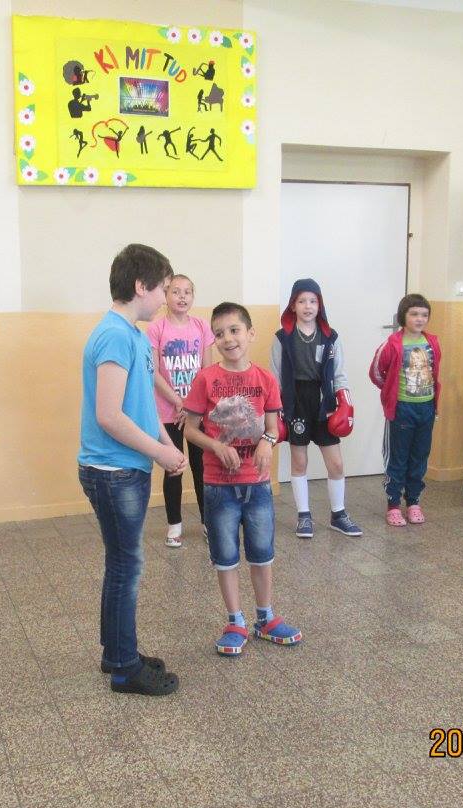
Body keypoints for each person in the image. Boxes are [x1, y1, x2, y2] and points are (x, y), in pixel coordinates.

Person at [78, 244, 185, 696]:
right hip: (113, 470)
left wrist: (167, 444)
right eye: (162, 288)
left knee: (120, 563)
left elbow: (141, 405)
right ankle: (124, 668)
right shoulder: (114, 336)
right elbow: (108, 415)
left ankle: (116, 652)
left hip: (128, 466)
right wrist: (159, 453)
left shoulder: (137, 337)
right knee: (127, 567)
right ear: (141, 286)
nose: (165, 298)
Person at [184, 302, 302, 655]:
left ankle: (265, 618)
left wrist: (267, 441)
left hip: (257, 484)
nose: (228, 339)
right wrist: (216, 447)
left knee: (262, 553)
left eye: (234, 330)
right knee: (225, 556)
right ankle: (235, 620)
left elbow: (273, 427)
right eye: (219, 333)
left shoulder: (265, 379)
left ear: (250, 333)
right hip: (218, 486)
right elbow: (190, 429)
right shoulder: (205, 379)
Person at [271, 278, 361, 538]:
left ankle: (338, 514)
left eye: (312, 301)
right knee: (299, 461)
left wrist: (345, 402)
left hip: (325, 401)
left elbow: (340, 373)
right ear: (293, 305)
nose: (308, 306)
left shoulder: (331, 336)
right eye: (302, 301)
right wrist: (275, 409)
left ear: (319, 304)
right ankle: (303, 516)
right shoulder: (282, 337)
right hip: (296, 400)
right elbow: (275, 377)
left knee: (336, 463)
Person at [147, 274, 214, 547]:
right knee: (173, 468)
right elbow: (153, 372)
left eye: (187, 292)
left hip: (197, 413)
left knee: (202, 467)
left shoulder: (201, 326)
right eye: (176, 291)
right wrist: (177, 400)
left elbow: (207, 371)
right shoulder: (156, 329)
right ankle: (174, 526)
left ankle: (208, 522)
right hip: (168, 412)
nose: (182, 297)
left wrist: (193, 405)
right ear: (165, 295)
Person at [369, 294, 442, 526]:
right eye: (414, 314)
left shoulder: (432, 342)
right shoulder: (392, 344)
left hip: (426, 408)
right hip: (402, 409)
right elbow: (376, 373)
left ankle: (413, 501)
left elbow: (435, 371)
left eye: (424, 315)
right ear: (403, 316)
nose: (420, 319)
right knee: (398, 458)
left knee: (419, 456)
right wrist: (391, 390)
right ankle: (393, 504)